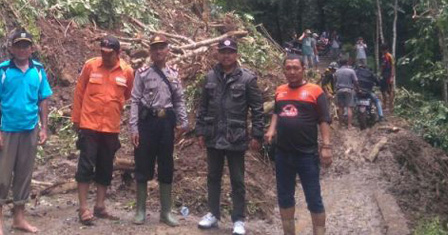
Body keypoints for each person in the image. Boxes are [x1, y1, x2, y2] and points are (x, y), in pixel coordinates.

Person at [0, 30, 53, 235]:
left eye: (26, 45)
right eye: (19, 45)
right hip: (8, 130)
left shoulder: (38, 70)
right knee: (2, 175)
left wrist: (44, 127)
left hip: (29, 129)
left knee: (24, 174)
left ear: (32, 49)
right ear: (12, 49)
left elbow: (43, 99)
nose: (22, 49)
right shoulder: (3, 70)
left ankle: (19, 218)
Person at [195, 38, 264, 235]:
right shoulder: (210, 77)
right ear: (218, 53)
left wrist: (257, 135)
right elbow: (203, 106)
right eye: (223, 51)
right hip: (214, 134)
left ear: (236, 54)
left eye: (230, 52)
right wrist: (200, 130)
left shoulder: (247, 79)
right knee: (213, 176)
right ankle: (213, 214)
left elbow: (257, 110)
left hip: (236, 136)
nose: (226, 55)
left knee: (237, 179)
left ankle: (238, 219)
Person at [265, 55, 332, 235]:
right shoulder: (280, 91)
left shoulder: (315, 91)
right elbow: (277, 113)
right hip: (283, 154)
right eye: (288, 68)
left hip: (307, 155)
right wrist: (271, 130)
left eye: (296, 68)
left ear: (303, 69)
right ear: (284, 70)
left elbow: (324, 119)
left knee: (314, 198)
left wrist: (326, 146)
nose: (292, 71)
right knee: (285, 197)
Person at [72, 36, 134, 225]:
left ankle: (100, 206)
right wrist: (76, 119)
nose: (105, 57)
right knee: (85, 166)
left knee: (105, 166)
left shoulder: (127, 72)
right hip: (89, 125)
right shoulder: (90, 66)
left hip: (110, 127)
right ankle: (83, 208)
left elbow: (128, 94)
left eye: (110, 54)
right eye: (103, 53)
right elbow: (79, 92)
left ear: (118, 53)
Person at [129, 35, 189, 226]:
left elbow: (179, 99)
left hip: (166, 124)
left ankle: (166, 212)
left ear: (167, 50)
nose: (158, 51)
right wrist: (133, 127)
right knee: (142, 164)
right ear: (150, 51)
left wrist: (183, 122)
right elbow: (135, 100)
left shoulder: (173, 73)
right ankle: (140, 210)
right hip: (147, 123)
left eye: (162, 47)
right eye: (155, 48)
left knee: (166, 164)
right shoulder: (143, 73)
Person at [333, 59, 358, 128]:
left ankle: (340, 124)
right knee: (349, 107)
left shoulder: (337, 71)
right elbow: (355, 81)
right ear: (347, 63)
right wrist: (357, 89)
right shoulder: (351, 71)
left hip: (339, 90)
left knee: (341, 108)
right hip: (349, 90)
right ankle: (349, 125)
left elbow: (334, 81)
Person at [380, 44, 395, 112]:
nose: (383, 51)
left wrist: (392, 76)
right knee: (383, 90)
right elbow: (383, 66)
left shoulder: (390, 56)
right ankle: (384, 105)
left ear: (386, 50)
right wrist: (380, 74)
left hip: (388, 75)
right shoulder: (383, 56)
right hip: (384, 75)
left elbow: (393, 66)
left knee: (390, 91)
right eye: (382, 50)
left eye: (384, 50)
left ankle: (391, 107)